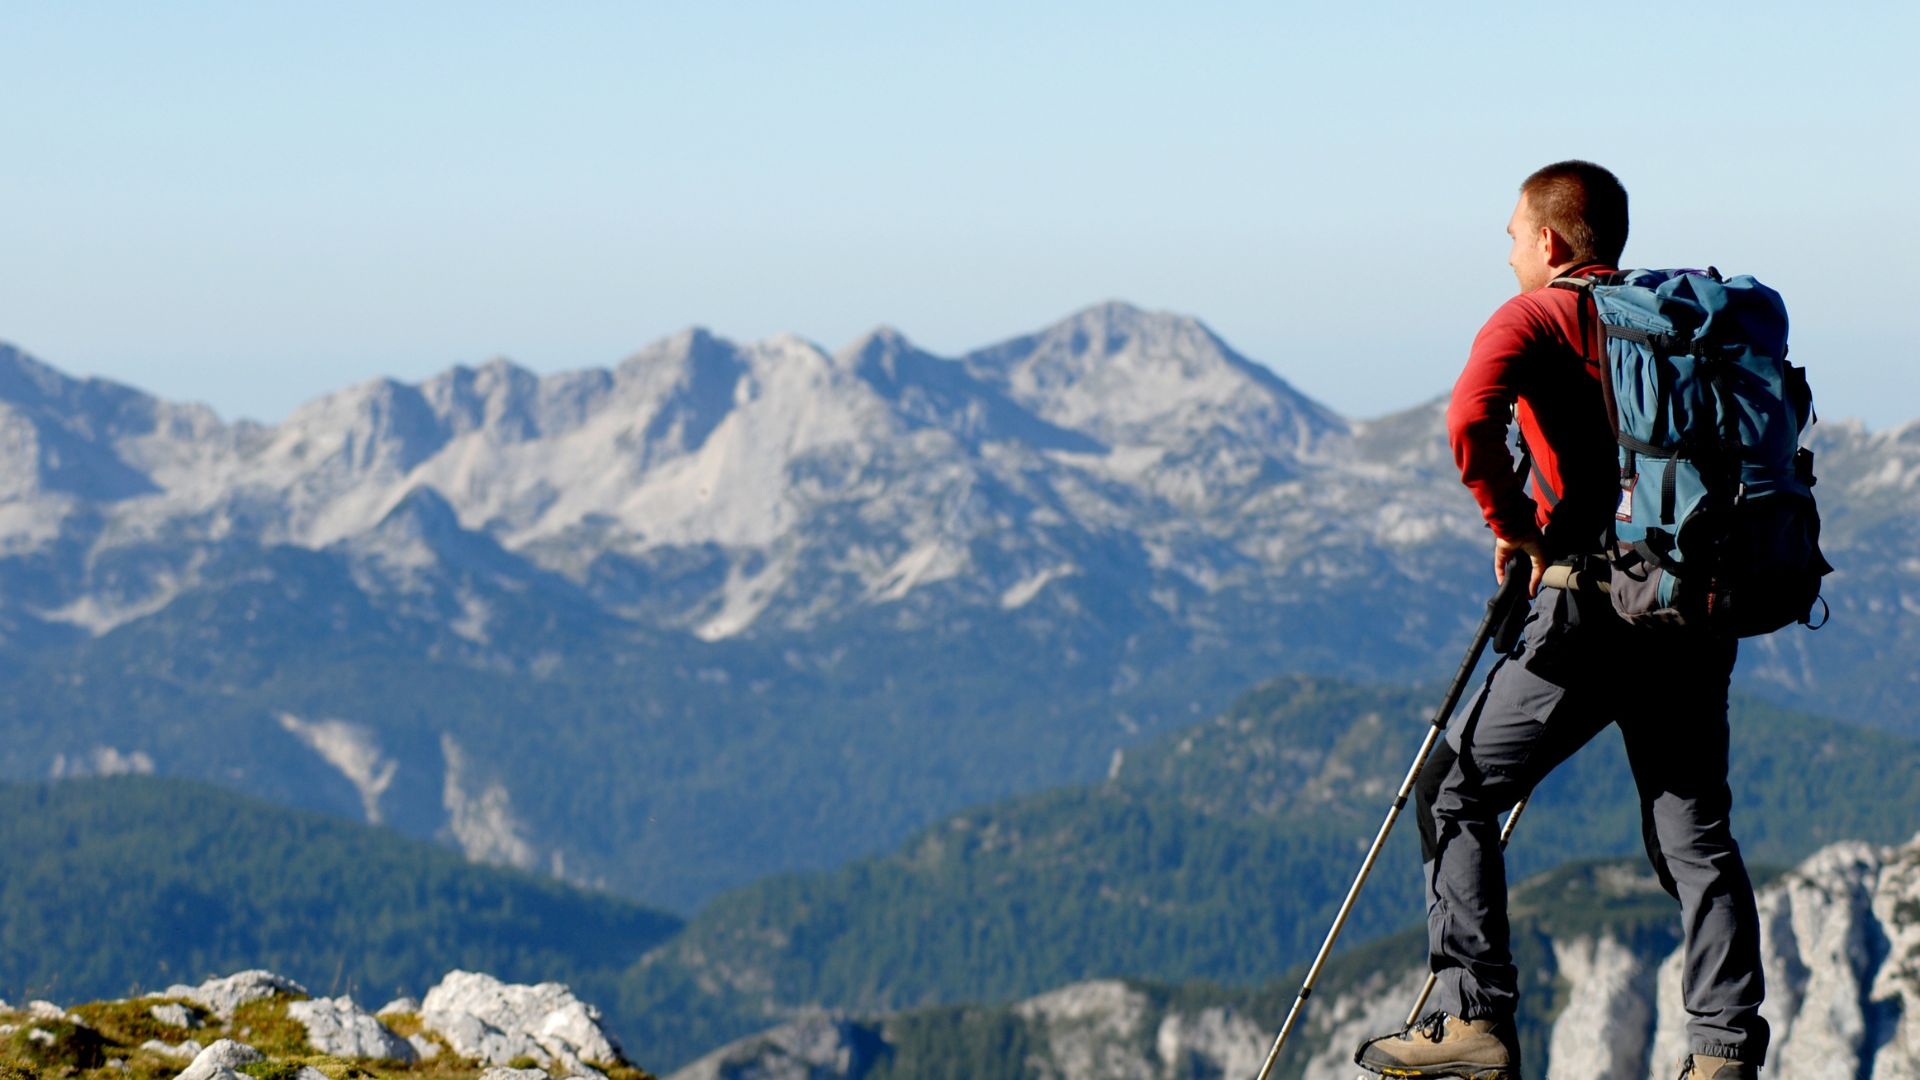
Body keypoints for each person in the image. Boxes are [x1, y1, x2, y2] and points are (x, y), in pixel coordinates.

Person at [1352, 162, 1768, 1080]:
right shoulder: (1668, 324)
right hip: (1688, 608)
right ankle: (1723, 1050)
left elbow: (1469, 421)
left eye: (1510, 237)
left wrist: (1516, 530)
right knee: (1695, 835)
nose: (1506, 254)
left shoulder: (1534, 316)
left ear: (1549, 241)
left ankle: (1475, 1024)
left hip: (1585, 610)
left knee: (1455, 785)